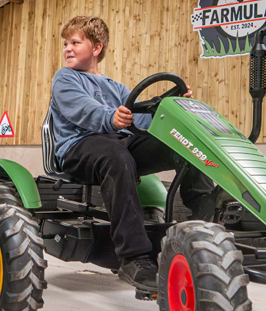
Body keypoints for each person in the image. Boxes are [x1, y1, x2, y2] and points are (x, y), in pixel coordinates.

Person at [50, 16, 216, 292]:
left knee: (185, 145)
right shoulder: (65, 78)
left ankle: (205, 235)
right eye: (65, 43)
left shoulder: (116, 87)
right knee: (117, 156)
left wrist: (171, 107)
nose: (67, 48)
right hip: (79, 146)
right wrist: (110, 118)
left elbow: (143, 120)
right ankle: (133, 258)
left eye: (75, 42)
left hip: (118, 143)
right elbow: (81, 109)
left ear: (96, 47)